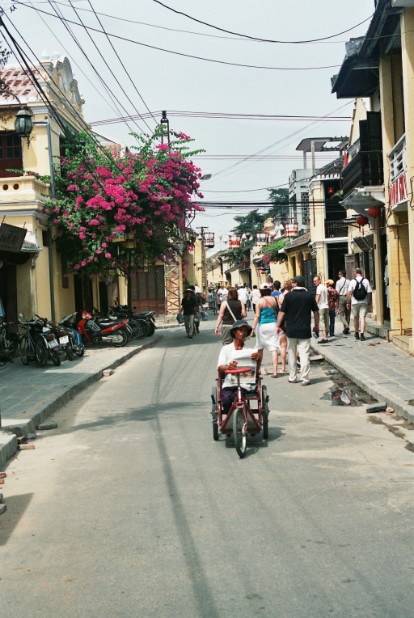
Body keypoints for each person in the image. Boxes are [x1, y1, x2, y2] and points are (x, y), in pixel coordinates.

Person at [276, 275, 319, 386]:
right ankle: (305, 378)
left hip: (291, 329)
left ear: (295, 284)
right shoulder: (310, 296)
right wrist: (317, 325)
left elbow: (282, 312)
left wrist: (277, 325)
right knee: (304, 353)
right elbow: (316, 312)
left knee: (291, 353)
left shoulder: (289, 296)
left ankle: (292, 376)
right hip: (304, 329)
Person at [217, 320, 260, 413]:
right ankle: (231, 417)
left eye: (245, 331)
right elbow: (220, 367)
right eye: (240, 330)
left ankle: (241, 416)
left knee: (239, 397)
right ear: (234, 332)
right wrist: (228, 367)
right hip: (229, 383)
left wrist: (258, 359)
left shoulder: (250, 351)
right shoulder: (226, 349)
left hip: (244, 385)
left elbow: (257, 370)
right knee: (226, 400)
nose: (243, 333)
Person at [251, 286, 280, 378]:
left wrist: (253, 328)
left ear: (261, 291)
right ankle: (275, 371)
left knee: (260, 347)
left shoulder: (259, 301)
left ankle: (258, 369)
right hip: (273, 325)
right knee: (274, 348)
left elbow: (257, 316)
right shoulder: (275, 299)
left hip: (262, 326)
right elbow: (278, 312)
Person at [347, 268, 372, 341]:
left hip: (355, 302)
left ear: (355, 273)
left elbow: (349, 292)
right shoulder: (366, 280)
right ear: (361, 273)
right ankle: (362, 334)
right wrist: (369, 301)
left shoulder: (352, 281)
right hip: (364, 302)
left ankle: (356, 332)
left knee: (355, 318)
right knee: (362, 318)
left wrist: (348, 302)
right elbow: (369, 292)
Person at [313, 275, 329, 343]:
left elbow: (318, 296)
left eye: (315, 281)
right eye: (313, 281)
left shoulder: (319, 288)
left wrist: (314, 305)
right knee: (326, 322)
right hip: (326, 306)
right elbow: (327, 296)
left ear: (319, 280)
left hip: (321, 307)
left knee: (322, 322)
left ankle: (324, 338)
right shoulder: (324, 287)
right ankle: (326, 336)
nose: (314, 282)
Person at [335, 270, 351, 334]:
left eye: (339, 274)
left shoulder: (338, 282)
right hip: (348, 297)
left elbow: (337, 292)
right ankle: (346, 329)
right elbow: (350, 291)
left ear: (341, 274)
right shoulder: (348, 281)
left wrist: (336, 301)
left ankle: (346, 326)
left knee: (341, 314)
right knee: (348, 314)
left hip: (341, 297)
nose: (338, 275)